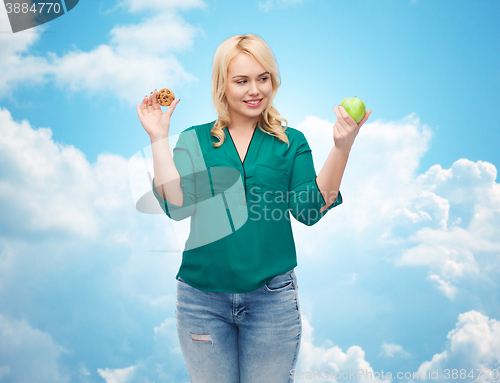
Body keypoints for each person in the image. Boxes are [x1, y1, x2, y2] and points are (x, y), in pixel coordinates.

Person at [136, 33, 371, 383]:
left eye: (263, 78)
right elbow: (177, 207)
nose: (255, 90)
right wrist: (158, 137)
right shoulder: (195, 138)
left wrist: (342, 148)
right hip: (201, 301)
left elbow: (309, 210)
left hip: (271, 301)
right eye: (242, 81)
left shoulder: (291, 142)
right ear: (222, 85)